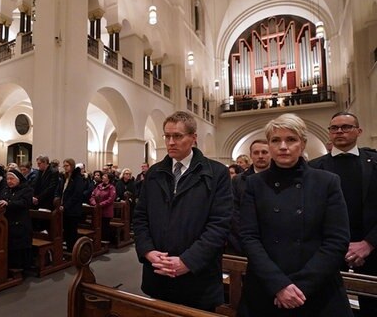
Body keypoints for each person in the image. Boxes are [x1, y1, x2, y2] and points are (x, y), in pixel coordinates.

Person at [238, 113, 352, 316]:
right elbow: (249, 237)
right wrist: (279, 285)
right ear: (270, 145)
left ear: (303, 143)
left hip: (317, 288)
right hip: (267, 286)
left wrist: (300, 286)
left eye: (291, 139)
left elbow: (337, 240)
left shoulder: (327, 182)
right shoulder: (254, 184)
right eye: (276, 140)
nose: (283, 146)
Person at [133, 111, 233, 311]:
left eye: (177, 136)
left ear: (193, 138)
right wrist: (148, 251)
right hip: (158, 273)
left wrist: (188, 261)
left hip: (197, 277)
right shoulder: (154, 173)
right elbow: (140, 217)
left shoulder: (216, 173)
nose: (170, 142)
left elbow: (219, 224)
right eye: (167, 136)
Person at [309, 112, 377, 317]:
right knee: (328, 307)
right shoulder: (313, 167)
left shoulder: (374, 162)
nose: (339, 131)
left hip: (373, 250)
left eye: (346, 127)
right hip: (327, 250)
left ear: (359, 131)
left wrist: (369, 243)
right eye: (334, 128)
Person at [226, 139, 271, 255]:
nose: (260, 156)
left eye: (264, 152)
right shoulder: (238, 180)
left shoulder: (280, 179)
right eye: (256, 153)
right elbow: (234, 212)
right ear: (251, 155)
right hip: (243, 241)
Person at [0, 168, 33, 270]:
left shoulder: (27, 190)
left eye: (12, 179)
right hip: (7, 222)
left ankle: (20, 268)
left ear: (18, 179)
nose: (9, 181)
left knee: (18, 247)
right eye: (7, 179)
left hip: (20, 223)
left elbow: (24, 203)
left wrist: (9, 203)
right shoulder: (5, 190)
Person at [56, 158, 85, 252]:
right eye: (64, 166)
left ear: (72, 166)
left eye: (67, 166)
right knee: (66, 231)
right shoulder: (65, 177)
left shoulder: (78, 178)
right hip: (64, 208)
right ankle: (68, 249)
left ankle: (73, 251)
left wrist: (65, 206)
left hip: (73, 210)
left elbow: (76, 195)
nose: (65, 168)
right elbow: (62, 191)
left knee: (72, 231)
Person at [89, 172, 116, 242]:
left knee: (104, 227)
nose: (103, 177)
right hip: (97, 210)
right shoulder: (99, 186)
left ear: (108, 179)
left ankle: (105, 241)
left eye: (105, 176)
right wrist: (94, 203)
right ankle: (97, 240)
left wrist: (99, 205)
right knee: (96, 226)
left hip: (106, 211)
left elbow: (110, 200)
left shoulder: (111, 188)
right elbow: (92, 196)